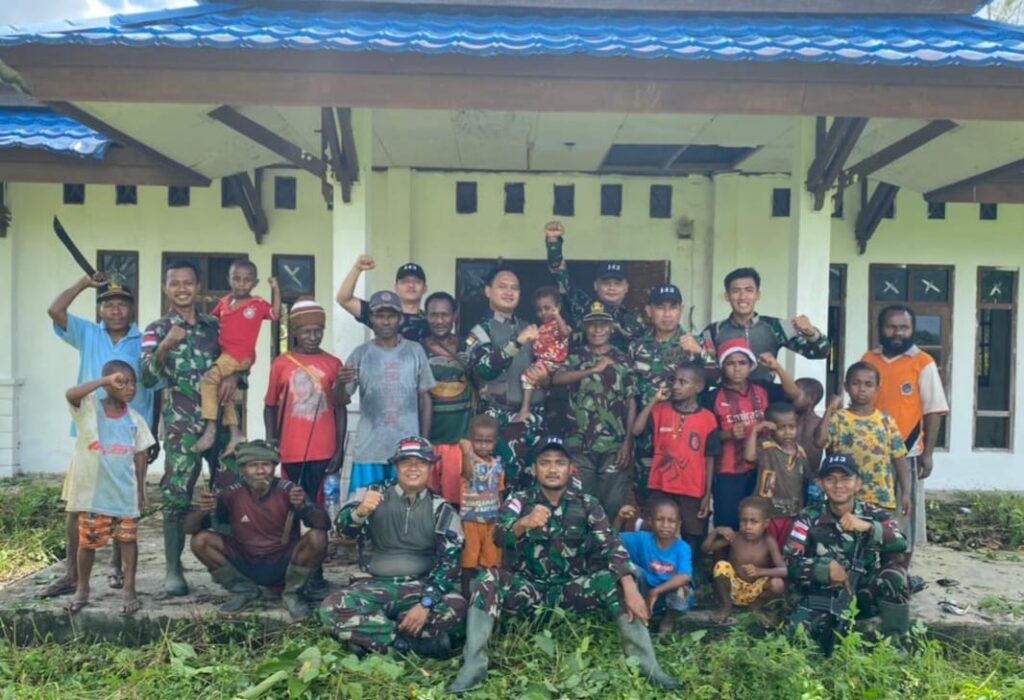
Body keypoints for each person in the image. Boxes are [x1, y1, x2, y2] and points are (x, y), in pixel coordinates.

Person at [447, 435, 679, 693]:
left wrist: (630, 586)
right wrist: (523, 523)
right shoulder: (520, 500)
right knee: (487, 579)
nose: (552, 469)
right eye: (545, 462)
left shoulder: (587, 504)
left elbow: (612, 545)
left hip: (572, 590)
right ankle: (473, 667)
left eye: (559, 462)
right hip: (530, 591)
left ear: (571, 469)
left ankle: (648, 667)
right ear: (534, 468)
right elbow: (499, 537)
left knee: (619, 580)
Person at [44, 272, 158, 599]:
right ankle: (72, 575)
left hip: (130, 434)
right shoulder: (88, 333)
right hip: (90, 434)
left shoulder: (142, 340)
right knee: (78, 505)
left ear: (132, 309)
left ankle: (117, 567)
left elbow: (155, 387)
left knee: (125, 504)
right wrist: (83, 284)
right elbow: (55, 311)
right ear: (100, 310)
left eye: (122, 304)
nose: (115, 310)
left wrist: (155, 432)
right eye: (108, 304)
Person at [320, 437, 466, 658]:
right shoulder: (373, 494)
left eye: (421, 463)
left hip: (420, 586)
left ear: (430, 468)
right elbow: (341, 531)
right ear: (396, 467)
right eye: (406, 462)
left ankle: (370, 640)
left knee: (458, 608)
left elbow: (450, 563)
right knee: (331, 607)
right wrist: (360, 512)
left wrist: (426, 604)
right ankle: (407, 645)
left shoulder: (442, 509)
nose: (413, 468)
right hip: (375, 585)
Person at [141, 260, 234, 596]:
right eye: (174, 283)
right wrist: (166, 345)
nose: (182, 289)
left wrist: (236, 376)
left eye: (188, 283)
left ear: (198, 287)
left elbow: (238, 359)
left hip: (219, 422)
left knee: (230, 489)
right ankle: (173, 569)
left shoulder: (216, 327)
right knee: (177, 495)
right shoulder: (156, 329)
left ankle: (231, 566)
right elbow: (146, 377)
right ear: (166, 288)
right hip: (181, 427)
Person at [185, 440, 329, 620]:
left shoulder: (289, 490)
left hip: (284, 562)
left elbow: (324, 524)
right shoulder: (230, 493)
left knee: (317, 537)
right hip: (245, 561)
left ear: (274, 467)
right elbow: (189, 528)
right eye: (253, 466)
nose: (260, 471)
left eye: (266, 465)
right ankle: (245, 591)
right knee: (200, 540)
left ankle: (293, 594)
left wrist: (303, 507)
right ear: (242, 469)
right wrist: (202, 510)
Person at [785, 454, 911, 652]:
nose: (838, 485)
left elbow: (901, 542)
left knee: (895, 575)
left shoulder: (874, 514)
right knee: (797, 638)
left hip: (864, 592)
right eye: (830, 479)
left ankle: (896, 645)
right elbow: (790, 562)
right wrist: (825, 568)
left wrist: (869, 527)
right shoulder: (808, 517)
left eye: (846, 479)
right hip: (824, 594)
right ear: (821, 484)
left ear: (858, 483)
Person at [62, 361, 155, 615]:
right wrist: (104, 381)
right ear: (108, 384)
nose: (130, 388)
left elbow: (140, 455)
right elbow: (71, 394)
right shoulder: (90, 409)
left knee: (128, 540)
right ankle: (82, 589)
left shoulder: (135, 419)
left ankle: (129, 589)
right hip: (95, 494)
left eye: (133, 383)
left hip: (124, 493)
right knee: (87, 543)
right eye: (122, 382)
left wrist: (141, 490)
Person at [861, 304, 949, 559]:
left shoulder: (923, 363)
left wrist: (928, 454)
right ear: (880, 328)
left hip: (907, 454)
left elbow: (933, 410)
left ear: (912, 329)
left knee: (904, 518)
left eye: (904, 327)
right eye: (891, 327)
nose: (898, 332)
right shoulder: (869, 360)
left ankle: (900, 573)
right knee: (869, 514)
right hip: (869, 453)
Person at [702, 339, 807, 531]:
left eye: (742, 363)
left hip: (765, 469)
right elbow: (705, 438)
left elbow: (793, 394)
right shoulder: (712, 397)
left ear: (750, 366)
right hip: (729, 473)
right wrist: (727, 434)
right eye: (730, 363)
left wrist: (777, 367)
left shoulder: (763, 389)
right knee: (728, 524)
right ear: (722, 367)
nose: (737, 368)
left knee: (761, 523)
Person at [344, 290, 436, 499]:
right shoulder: (360, 354)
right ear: (371, 318)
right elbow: (341, 399)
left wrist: (424, 442)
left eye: (391, 316)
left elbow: (425, 398)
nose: (386, 322)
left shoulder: (414, 351)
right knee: (363, 508)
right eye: (380, 316)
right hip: (369, 452)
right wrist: (340, 384)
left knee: (405, 509)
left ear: (400, 319)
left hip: (407, 453)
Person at [554, 301, 638, 519]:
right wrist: (591, 370)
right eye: (592, 325)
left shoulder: (623, 359)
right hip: (580, 444)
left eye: (603, 324)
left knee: (613, 506)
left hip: (614, 446)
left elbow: (631, 401)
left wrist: (628, 442)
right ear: (585, 328)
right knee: (580, 505)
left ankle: (609, 542)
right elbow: (557, 378)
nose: (597, 329)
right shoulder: (575, 357)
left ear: (611, 328)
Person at [632, 364, 720, 563]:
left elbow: (710, 458)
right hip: (661, 485)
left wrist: (707, 495)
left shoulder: (708, 419)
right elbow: (636, 430)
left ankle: (688, 574)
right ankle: (651, 569)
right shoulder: (660, 410)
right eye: (674, 381)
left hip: (692, 488)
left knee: (692, 534)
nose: (676, 386)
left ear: (698, 387)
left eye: (683, 382)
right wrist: (654, 401)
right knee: (651, 528)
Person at [628, 284, 707, 499]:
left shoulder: (695, 343)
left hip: (683, 438)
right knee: (647, 497)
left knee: (683, 497)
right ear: (649, 311)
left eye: (673, 307)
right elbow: (631, 396)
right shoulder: (636, 347)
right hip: (646, 436)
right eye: (660, 307)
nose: (667, 314)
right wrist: (629, 439)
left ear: (681, 310)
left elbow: (718, 378)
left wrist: (700, 353)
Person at [468, 267, 544, 486]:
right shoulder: (480, 331)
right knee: (496, 485)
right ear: (488, 291)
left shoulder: (529, 328)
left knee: (533, 483)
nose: (509, 292)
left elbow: (548, 368)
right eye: (502, 287)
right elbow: (484, 369)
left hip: (531, 419)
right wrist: (516, 343)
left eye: (514, 288)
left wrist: (544, 378)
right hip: (497, 422)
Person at [195, 259, 280, 455]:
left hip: (239, 355)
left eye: (247, 280)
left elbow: (275, 314)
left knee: (208, 381)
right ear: (229, 279)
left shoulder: (257, 304)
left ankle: (210, 428)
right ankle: (235, 433)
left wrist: (276, 289)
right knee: (224, 394)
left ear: (255, 283)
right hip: (225, 355)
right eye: (236, 279)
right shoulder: (224, 302)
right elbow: (212, 322)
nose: (241, 284)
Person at [814, 363, 912, 519]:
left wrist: (906, 493)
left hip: (880, 498)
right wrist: (829, 409)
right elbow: (819, 442)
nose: (862, 389)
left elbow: (899, 458)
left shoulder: (886, 421)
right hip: (845, 499)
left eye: (868, 384)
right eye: (856, 383)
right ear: (846, 386)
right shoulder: (838, 419)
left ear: (877, 389)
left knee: (878, 533)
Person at [699, 268, 830, 383]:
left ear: (757, 295)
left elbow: (820, 353)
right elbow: (705, 372)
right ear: (727, 296)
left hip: (767, 396)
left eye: (749, 290)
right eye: (736, 291)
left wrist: (811, 333)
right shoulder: (713, 331)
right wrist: (702, 353)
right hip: (727, 398)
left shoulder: (776, 326)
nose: (743, 296)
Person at [543, 220, 645, 351]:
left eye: (618, 283)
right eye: (606, 283)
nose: (612, 287)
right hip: (580, 363)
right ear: (596, 285)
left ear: (626, 287)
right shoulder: (581, 305)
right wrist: (553, 243)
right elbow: (560, 276)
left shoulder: (635, 320)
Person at [703, 497, 786, 625]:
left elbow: (783, 570)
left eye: (754, 522)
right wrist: (716, 531)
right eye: (744, 521)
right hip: (734, 589)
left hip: (756, 591)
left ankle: (756, 606)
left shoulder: (768, 542)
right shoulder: (735, 537)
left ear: (766, 523)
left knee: (777, 584)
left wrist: (759, 571)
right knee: (721, 566)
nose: (748, 527)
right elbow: (706, 549)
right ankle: (726, 605)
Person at [616, 498, 693, 635]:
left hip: (667, 595)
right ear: (650, 521)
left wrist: (656, 591)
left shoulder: (682, 547)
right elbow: (611, 539)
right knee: (631, 569)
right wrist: (620, 519)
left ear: (678, 524)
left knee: (682, 588)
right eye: (660, 520)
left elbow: (685, 576)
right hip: (644, 592)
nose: (665, 525)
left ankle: (669, 619)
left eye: (671, 521)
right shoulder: (642, 539)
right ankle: (637, 615)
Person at [744, 402, 813, 549]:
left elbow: (805, 480)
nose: (788, 432)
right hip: (768, 513)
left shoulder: (800, 452)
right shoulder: (766, 447)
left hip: (792, 513)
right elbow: (749, 457)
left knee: (786, 548)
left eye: (792, 427)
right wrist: (755, 430)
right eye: (781, 428)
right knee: (766, 548)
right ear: (771, 429)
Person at [458, 416, 504, 598]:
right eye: (478, 441)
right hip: (471, 519)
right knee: (470, 557)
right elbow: (468, 474)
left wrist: (501, 516)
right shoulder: (469, 460)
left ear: (495, 442)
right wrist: (465, 452)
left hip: (491, 519)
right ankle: (465, 594)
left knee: (491, 557)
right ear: (471, 440)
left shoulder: (498, 464)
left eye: (488, 441)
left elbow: (500, 490)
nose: (483, 445)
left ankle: (488, 593)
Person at [422, 292, 475, 446]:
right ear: (426, 316)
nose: (439, 321)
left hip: (464, 441)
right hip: (432, 438)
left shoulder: (468, 347)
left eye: (445, 315)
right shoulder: (418, 350)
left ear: (454, 316)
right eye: (433, 315)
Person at [336, 255, 428, 341]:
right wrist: (357, 269)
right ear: (396, 288)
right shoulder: (380, 313)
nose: (411, 285)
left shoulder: (431, 321)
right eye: (405, 281)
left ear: (425, 288)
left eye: (417, 281)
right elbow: (344, 299)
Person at [513, 286, 570, 424]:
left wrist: (557, 316)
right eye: (539, 310)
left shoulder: (559, 325)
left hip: (556, 363)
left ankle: (525, 409)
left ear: (558, 307)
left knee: (527, 377)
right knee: (533, 378)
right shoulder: (540, 328)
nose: (543, 313)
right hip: (543, 363)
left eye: (547, 308)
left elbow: (565, 333)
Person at [795, 377, 825, 474]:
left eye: (795, 395)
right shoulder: (788, 421)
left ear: (812, 398)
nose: (790, 397)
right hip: (788, 475)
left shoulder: (820, 424)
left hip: (812, 475)